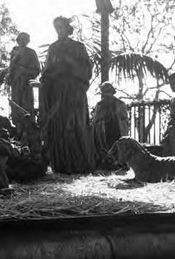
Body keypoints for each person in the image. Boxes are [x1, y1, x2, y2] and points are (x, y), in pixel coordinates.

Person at [39, 16, 96, 174]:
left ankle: (79, 164)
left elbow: (86, 70)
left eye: (61, 27)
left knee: (74, 125)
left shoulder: (79, 47)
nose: (58, 30)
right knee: (59, 127)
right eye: (56, 27)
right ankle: (62, 165)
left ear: (67, 28)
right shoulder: (53, 48)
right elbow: (47, 71)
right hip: (57, 92)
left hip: (74, 92)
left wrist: (69, 61)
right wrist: (43, 81)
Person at [7, 32, 41, 133]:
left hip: (25, 83)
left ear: (28, 41)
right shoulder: (14, 50)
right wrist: (10, 77)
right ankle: (17, 130)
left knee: (26, 106)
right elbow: (11, 67)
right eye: (21, 39)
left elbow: (37, 69)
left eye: (25, 39)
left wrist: (25, 71)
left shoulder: (31, 52)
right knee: (15, 104)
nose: (22, 41)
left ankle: (28, 130)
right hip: (16, 83)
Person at [92, 81, 129, 156]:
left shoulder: (120, 104)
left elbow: (125, 120)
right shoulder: (100, 105)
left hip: (118, 130)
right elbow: (96, 121)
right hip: (104, 132)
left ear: (112, 92)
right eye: (105, 92)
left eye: (109, 92)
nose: (107, 94)